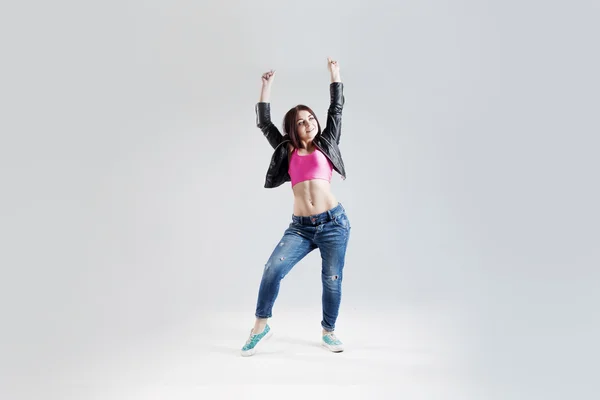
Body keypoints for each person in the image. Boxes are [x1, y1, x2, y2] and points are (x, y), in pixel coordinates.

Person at [240, 58, 351, 357]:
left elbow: (335, 110)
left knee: (331, 278)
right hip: (300, 228)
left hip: (333, 223)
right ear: (293, 128)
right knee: (272, 269)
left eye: (311, 118)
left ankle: (329, 331)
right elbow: (264, 123)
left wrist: (335, 74)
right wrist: (266, 87)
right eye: (301, 121)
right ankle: (259, 328)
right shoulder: (286, 150)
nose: (309, 124)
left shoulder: (327, 143)